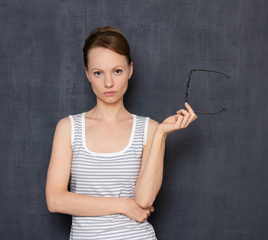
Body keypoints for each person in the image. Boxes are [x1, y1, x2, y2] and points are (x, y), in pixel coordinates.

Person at [45, 26, 197, 239]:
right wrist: (124, 205)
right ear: (87, 73)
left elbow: (144, 201)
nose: (109, 83)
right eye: (99, 73)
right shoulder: (68, 128)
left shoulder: (150, 129)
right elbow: (55, 201)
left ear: (130, 70)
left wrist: (161, 133)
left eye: (117, 71)